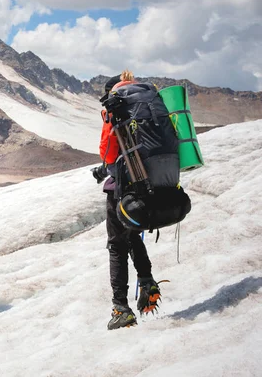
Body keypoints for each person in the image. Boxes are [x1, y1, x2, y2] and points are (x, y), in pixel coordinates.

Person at [93, 69, 162, 330]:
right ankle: (147, 281)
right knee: (132, 236)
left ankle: (121, 308)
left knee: (116, 246)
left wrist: (104, 169)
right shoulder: (146, 105)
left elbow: (110, 153)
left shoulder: (117, 105)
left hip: (121, 190)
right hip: (148, 185)